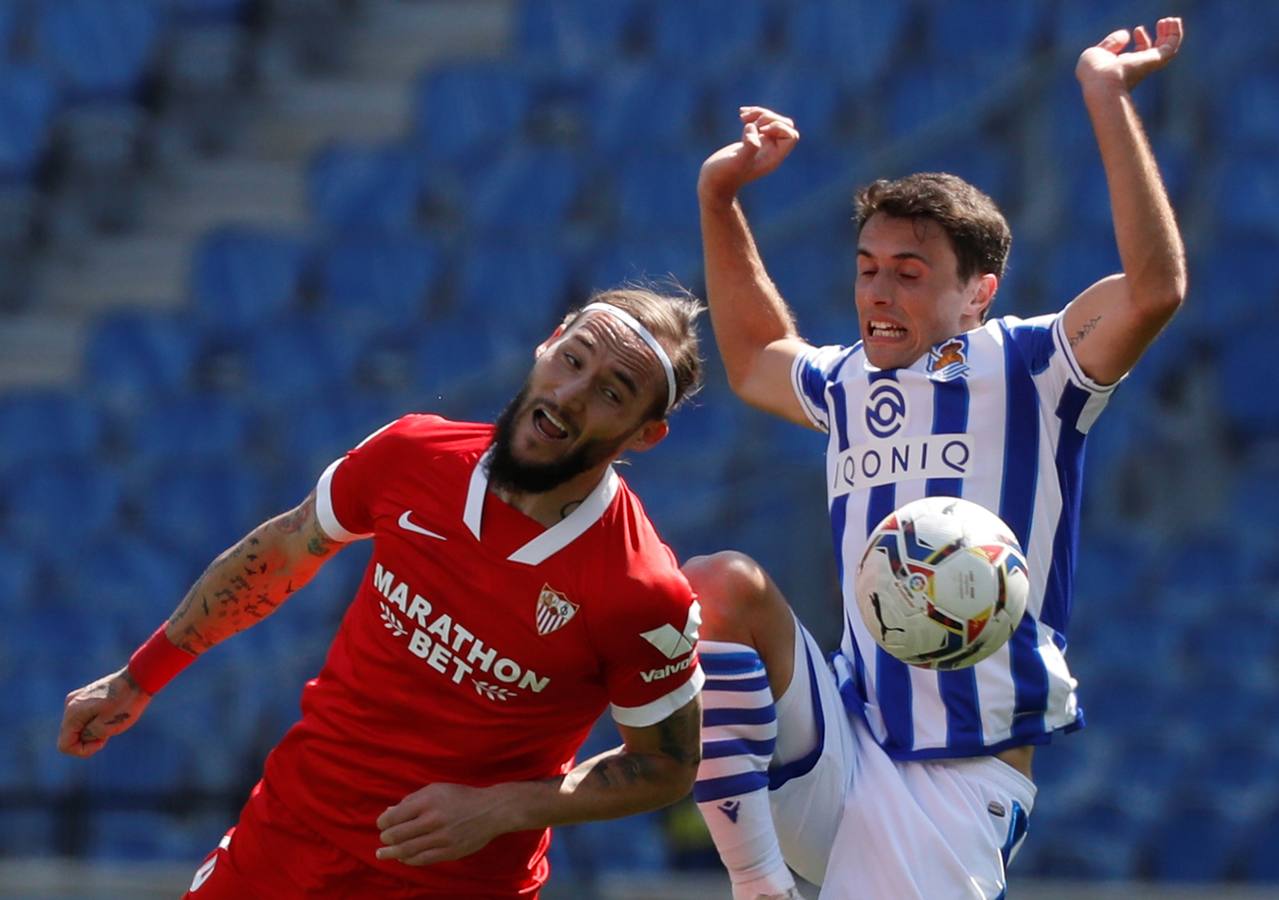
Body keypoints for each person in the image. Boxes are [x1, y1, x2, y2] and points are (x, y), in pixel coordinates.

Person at [685, 19, 1186, 900]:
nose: (876, 291)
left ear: (976, 294)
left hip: (958, 781)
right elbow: (753, 357)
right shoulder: (844, 382)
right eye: (867, 268)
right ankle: (757, 884)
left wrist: (1103, 95)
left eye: (908, 273)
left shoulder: (1026, 366)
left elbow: (1153, 292)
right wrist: (718, 197)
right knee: (718, 585)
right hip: (841, 735)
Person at [58, 287, 708, 898]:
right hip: (285, 839)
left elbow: (667, 766)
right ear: (548, 343)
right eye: (572, 360)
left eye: (611, 393)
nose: (569, 395)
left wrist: (501, 807)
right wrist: (140, 677)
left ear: (644, 434)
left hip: (454, 882)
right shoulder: (411, 455)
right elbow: (282, 551)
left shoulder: (640, 590)